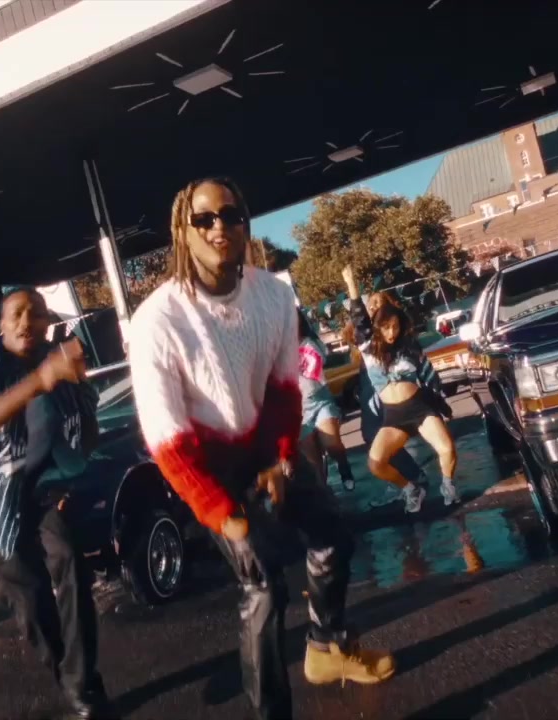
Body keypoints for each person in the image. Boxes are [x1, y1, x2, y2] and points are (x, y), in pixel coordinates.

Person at [128, 177, 395, 720]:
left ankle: (326, 648)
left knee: (333, 537)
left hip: (263, 447)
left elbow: (284, 389)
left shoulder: (273, 295)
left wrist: (279, 457)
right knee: (264, 587)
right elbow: (166, 438)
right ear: (183, 230)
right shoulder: (158, 319)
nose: (219, 227)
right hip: (209, 466)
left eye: (231, 215)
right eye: (204, 218)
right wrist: (220, 512)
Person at [0, 289, 113, 720]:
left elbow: (87, 431)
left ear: (47, 323)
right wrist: (40, 381)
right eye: (17, 314)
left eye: (37, 314)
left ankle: (83, 684)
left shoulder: (56, 359)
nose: (27, 322)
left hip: (42, 492)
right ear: (1, 325)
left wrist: (77, 385)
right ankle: (68, 673)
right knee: (33, 606)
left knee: (73, 568)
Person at [343, 265, 460, 510]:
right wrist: (352, 286)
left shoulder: (409, 346)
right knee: (376, 463)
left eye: (395, 326)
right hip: (394, 416)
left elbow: (428, 375)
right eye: (386, 327)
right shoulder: (368, 348)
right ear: (377, 327)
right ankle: (410, 488)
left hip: (419, 409)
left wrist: (441, 401)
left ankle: (448, 485)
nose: (392, 332)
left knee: (447, 448)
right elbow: (359, 318)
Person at [354, 292, 437, 508]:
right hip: (371, 388)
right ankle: (406, 480)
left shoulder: (392, 340)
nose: (373, 308)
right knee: (374, 436)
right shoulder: (370, 338)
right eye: (371, 305)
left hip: (385, 392)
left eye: (378, 305)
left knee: (377, 436)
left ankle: (410, 480)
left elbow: (419, 366)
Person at [296, 309, 356, 489]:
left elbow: (315, 367)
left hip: (320, 401)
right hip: (298, 410)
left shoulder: (310, 343)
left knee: (332, 444)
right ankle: (324, 496)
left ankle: (343, 467)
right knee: (313, 463)